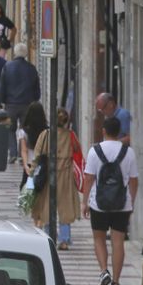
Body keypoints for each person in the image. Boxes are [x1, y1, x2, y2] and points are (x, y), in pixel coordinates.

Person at [82, 115, 139, 285]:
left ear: (104, 131)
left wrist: (85, 202)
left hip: (98, 203)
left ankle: (103, 271)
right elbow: (134, 180)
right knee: (118, 242)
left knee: (99, 238)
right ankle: (116, 281)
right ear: (119, 131)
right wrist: (131, 201)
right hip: (122, 204)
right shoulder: (128, 152)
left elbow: (89, 178)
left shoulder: (94, 151)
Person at [32, 106, 83, 249]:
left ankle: (48, 238)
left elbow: (36, 156)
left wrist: (31, 174)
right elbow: (78, 153)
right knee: (65, 207)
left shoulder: (46, 135)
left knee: (46, 207)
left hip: (48, 175)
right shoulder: (71, 136)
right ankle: (65, 239)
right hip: (66, 176)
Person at [1, 43, 42, 126]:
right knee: (26, 129)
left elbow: (2, 86)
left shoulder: (7, 67)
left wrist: (3, 100)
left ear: (15, 53)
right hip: (27, 104)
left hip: (11, 104)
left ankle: (12, 139)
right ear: (26, 53)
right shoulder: (31, 68)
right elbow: (36, 87)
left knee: (10, 130)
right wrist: (35, 99)